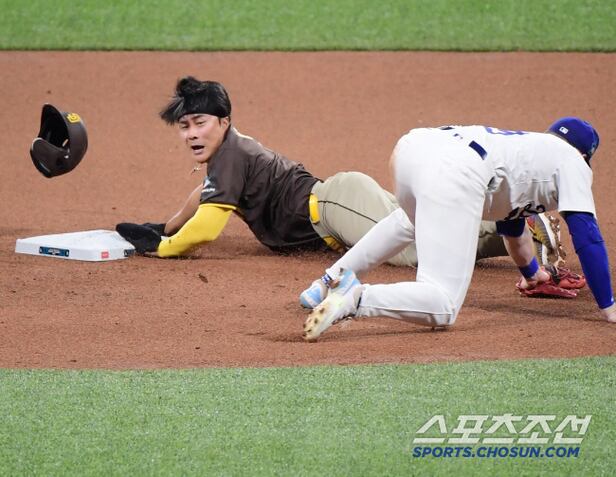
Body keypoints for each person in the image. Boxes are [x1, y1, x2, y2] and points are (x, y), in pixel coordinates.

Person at [115, 76, 563, 284]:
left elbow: (207, 229)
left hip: (334, 206)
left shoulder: (231, 153)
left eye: (199, 123)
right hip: (341, 203)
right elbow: (205, 194)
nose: (191, 134)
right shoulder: (230, 153)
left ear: (224, 122)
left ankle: (516, 226)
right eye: (184, 126)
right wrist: (167, 225)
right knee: (424, 224)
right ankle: (517, 222)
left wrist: (163, 248)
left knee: (414, 250)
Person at [302, 118, 615, 341]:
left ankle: (327, 282)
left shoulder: (530, 150)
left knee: (411, 221)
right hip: (457, 169)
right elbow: (587, 238)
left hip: (415, 148)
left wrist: (533, 275)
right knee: (443, 304)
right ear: (585, 155)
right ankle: (353, 297)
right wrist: (609, 307)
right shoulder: (573, 161)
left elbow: (513, 230)